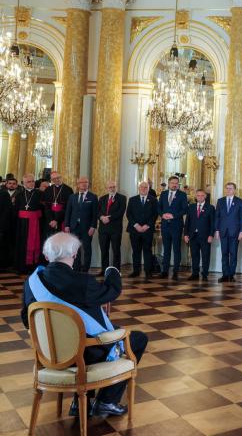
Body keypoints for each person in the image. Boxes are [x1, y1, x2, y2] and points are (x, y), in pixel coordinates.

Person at [20, 232, 148, 417]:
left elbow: (27, 319)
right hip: (82, 355)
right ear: (74, 254)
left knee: (79, 333)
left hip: (48, 353)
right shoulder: (83, 282)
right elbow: (111, 291)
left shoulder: (31, 283)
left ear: (47, 256)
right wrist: (112, 271)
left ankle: (79, 403)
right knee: (136, 338)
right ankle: (106, 401)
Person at [63, 176, 99, 273]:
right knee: (75, 249)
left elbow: (95, 214)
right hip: (74, 227)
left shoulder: (93, 197)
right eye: (81, 182)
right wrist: (66, 225)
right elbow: (68, 212)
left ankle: (85, 269)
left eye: (86, 182)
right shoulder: (72, 197)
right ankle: (76, 267)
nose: (83, 184)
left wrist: (93, 226)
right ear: (78, 184)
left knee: (87, 248)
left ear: (88, 184)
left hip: (87, 228)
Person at [158, 176, 188, 280]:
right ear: (168, 183)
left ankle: (175, 272)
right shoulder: (163, 193)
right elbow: (159, 207)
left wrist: (173, 216)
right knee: (166, 249)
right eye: (172, 183)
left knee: (176, 249)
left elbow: (185, 209)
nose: (174, 185)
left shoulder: (183, 195)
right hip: (165, 225)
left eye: (176, 183)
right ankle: (165, 271)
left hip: (176, 225)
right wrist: (162, 215)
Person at [126, 182, 158, 280]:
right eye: (142, 187)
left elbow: (155, 214)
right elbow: (129, 214)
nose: (143, 189)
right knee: (136, 251)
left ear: (148, 189)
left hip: (147, 230)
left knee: (147, 251)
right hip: (134, 230)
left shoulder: (153, 200)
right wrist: (136, 225)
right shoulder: (132, 199)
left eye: (145, 187)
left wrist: (147, 225)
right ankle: (136, 271)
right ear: (138, 188)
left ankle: (148, 272)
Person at [13, 174, 45, 274]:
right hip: (22, 224)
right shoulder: (19, 195)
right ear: (23, 183)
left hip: (36, 223)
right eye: (29, 182)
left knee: (36, 242)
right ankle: (22, 266)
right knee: (23, 243)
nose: (31, 183)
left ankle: (34, 266)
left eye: (32, 181)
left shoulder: (40, 194)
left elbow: (44, 209)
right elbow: (15, 210)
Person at [214, 182, 242, 282]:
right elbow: (217, 217)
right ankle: (225, 274)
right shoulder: (220, 201)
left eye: (230, 188)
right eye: (227, 188)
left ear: (234, 190)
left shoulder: (239, 201)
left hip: (235, 232)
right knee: (224, 253)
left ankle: (231, 275)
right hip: (223, 231)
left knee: (233, 253)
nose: (228, 190)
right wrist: (217, 230)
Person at [184, 189, 215, 280]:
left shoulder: (210, 207)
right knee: (194, 255)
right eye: (198, 195)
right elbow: (187, 222)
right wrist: (186, 234)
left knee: (205, 255)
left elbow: (213, 223)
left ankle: (205, 274)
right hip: (193, 235)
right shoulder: (191, 207)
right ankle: (195, 273)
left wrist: (211, 235)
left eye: (202, 195)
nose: (200, 197)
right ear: (195, 196)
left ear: (205, 196)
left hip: (205, 236)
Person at [97, 181, 126, 271]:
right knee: (104, 251)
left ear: (116, 187)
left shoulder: (122, 198)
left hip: (115, 229)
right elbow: (97, 211)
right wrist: (101, 217)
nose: (112, 189)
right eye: (110, 187)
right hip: (103, 229)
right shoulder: (102, 198)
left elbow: (121, 212)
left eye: (113, 187)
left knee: (116, 250)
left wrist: (109, 218)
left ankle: (116, 270)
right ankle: (104, 270)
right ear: (107, 188)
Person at [42, 170, 73, 239]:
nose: (56, 180)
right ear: (51, 180)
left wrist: (57, 219)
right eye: (54, 179)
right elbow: (47, 206)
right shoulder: (48, 189)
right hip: (51, 219)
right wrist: (51, 219)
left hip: (63, 218)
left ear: (61, 177)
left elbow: (68, 207)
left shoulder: (68, 189)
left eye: (58, 177)